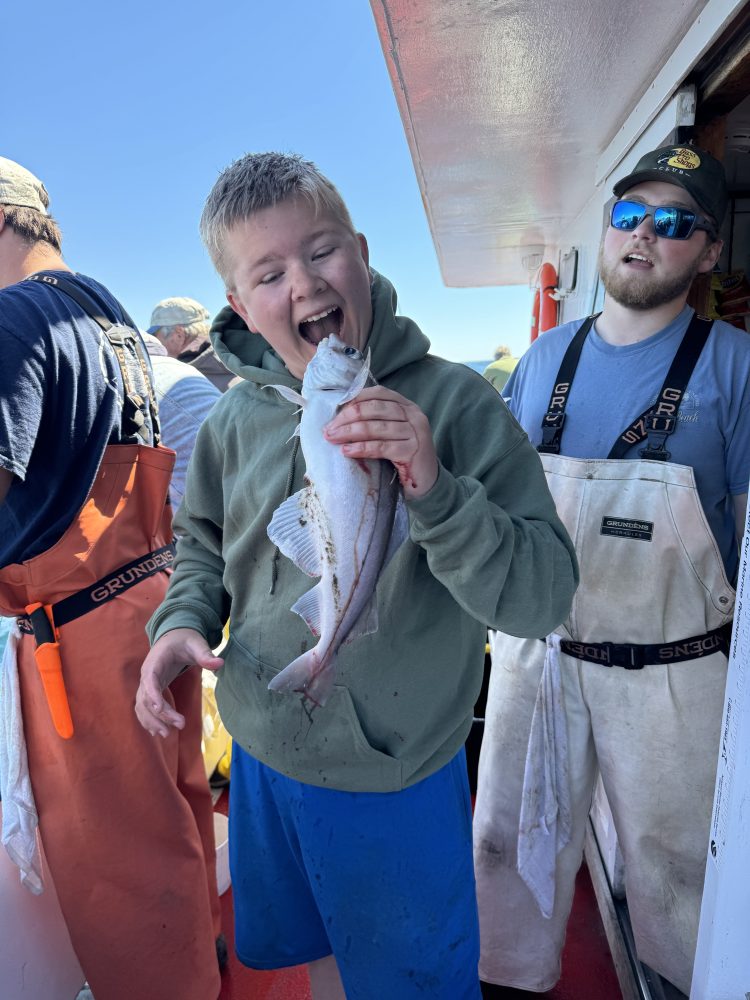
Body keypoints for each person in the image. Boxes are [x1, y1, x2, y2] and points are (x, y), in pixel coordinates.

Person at [134, 151, 579, 1000]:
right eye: (268, 272)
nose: (303, 285)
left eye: (322, 251)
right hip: (265, 748)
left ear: (363, 253)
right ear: (239, 304)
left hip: (395, 775)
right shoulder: (232, 417)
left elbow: (543, 598)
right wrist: (181, 623)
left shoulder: (455, 403)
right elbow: (200, 543)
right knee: (325, 960)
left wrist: (436, 488)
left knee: (412, 984)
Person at [473, 144, 750, 996]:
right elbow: (506, 515)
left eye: (674, 225)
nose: (643, 238)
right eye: (630, 217)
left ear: (707, 253)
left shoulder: (734, 367)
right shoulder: (543, 361)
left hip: (675, 678)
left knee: (680, 882)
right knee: (503, 850)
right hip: (537, 660)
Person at [0, 156, 222, 1000]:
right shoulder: (106, 310)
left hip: (79, 647)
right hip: (148, 605)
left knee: (120, 876)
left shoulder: (11, 320)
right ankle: (201, 975)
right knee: (176, 828)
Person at [141, 332, 222, 508]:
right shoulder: (183, 368)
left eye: (157, 332)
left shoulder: (139, 376)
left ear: (178, 334)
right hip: (242, 494)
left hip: (197, 509)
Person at [148, 295, 235, 391]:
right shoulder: (235, 356)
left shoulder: (184, 377)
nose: (156, 343)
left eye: (155, 336)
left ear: (178, 335)